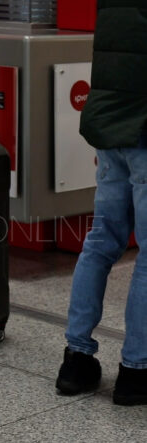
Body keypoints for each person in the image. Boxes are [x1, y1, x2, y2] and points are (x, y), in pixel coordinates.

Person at [56, 0, 147, 406]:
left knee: (100, 241)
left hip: (110, 123)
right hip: (142, 126)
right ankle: (136, 371)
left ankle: (76, 360)